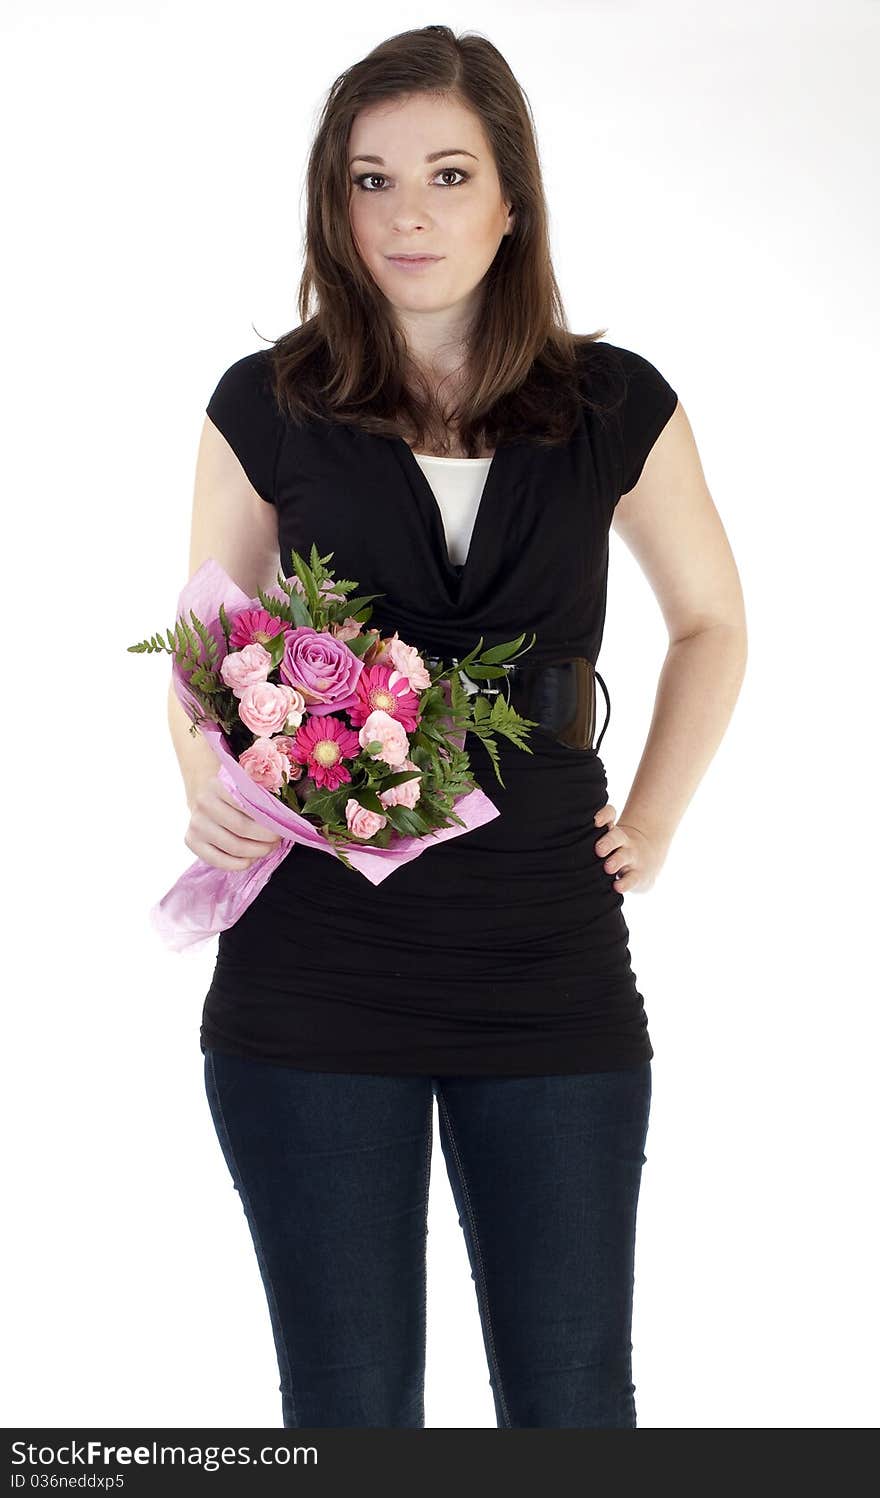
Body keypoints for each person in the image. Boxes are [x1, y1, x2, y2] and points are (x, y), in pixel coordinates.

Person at [167, 25, 747, 1429]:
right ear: (333, 201)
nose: (408, 214)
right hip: (312, 959)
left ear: (511, 199)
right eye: (370, 181)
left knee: (569, 1404)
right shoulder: (269, 402)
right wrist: (204, 774)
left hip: (547, 955)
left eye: (445, 173)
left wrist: (655, 821)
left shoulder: (616, 405)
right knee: (350, 1409)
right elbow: (202, 641)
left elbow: (713, 624)